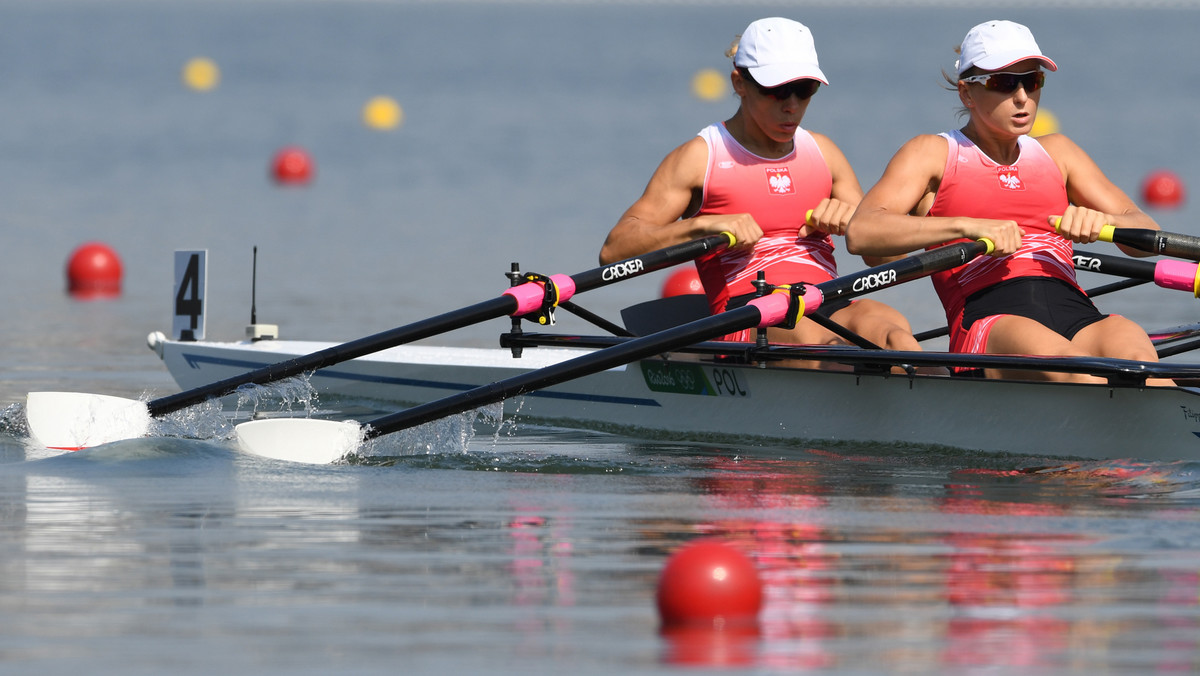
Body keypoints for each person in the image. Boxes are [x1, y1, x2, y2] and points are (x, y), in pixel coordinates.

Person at [845, 19, 1168, 383]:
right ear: (967, 93)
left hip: (1075, 309)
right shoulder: (933, 153)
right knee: (1077, 373)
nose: (1022, 98)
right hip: (990, 319)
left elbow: (1148, 234)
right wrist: (966, 226)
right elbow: (862, 233)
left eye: (1031, 81)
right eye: (1003, 83)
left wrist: (1106, 225)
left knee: (1143, 362)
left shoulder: (1059, 153)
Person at [599, 17, 921, 357]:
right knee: (819, 343)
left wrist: (857, 224)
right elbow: (614, 251)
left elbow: (884, 256)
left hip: (828, 299)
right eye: (777, 90)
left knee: (895, 333)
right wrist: (701, 227)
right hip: (747, 314)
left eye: (805, 89)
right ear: (739, 83)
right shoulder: (700, 158)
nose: (792, 106)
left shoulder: (824, 153)